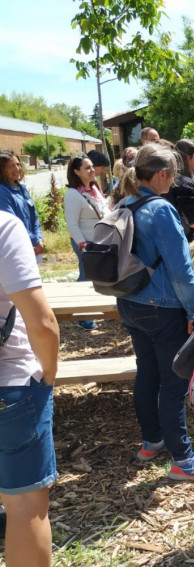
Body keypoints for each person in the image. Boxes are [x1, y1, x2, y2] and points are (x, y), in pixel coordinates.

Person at [116, 144, 194, 481]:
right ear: (163, 174)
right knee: (174, 381)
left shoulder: (124, 203)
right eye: (174, 175)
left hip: (130, 303)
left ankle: (151, 441)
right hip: (162, 309)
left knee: (146, 374)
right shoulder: (161, 210)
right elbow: (181, 270)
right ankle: (182, 458)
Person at [0, 210, 60, 567]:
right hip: (9, 385)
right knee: (25, 507)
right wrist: (48, 374)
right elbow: (41, 323)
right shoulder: (4, 226)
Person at [63, 155, 109, 331]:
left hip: (99, 241)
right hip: (86, 243)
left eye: (92, 167)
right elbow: (72, 224)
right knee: (85, 278)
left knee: (95, 277)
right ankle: (83, 316)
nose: (92, 171)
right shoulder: (73, 194)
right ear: (76, 171)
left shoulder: (94, 188)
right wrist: (83, 245)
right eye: (87, 168)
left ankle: (90, 310)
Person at [0, 150, 44, 255]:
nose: (17, 169)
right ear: (1, 170)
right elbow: (12, 224)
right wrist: (35, 241)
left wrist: (39, 239)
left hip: (32, 246)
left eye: (18, 164)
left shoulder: (22, 188)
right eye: (11, 166)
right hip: (15, 248)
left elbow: (34, 216)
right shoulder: (2, 192)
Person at [167, 139, 194, 242]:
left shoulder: (172, 179)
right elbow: (192, 221)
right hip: (187, 240)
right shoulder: (184, 183)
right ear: (187, 158)